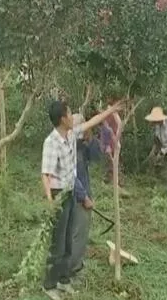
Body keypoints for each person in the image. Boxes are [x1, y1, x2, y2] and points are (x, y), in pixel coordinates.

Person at [41, 99, 123, 300]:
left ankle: (63, 280)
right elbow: (46, 175)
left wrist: (111, 110)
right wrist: (51, 202)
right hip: (59, 194)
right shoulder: (51, 142)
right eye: (69, 114)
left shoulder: (71, 134)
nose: (73, 117)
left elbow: (92, 122)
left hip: (69, 193)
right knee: (58, 243)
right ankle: (49, 284)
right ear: (62, 118)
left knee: (69, 239)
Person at [70, 113, 102, 279]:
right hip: (75, 197)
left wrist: (90, 139)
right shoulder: (69, 145)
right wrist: (84, 197)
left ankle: (75, 265)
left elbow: (96, 157)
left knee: (77, 233)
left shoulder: (81, 145)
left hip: (81, 193)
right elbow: (70, 176)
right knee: (77, 234)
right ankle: (73, 270)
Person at [144, 107, 167, 184]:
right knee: (157, 164)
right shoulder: (157, 127)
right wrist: (154, 152)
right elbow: (157, 140)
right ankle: (162, 183)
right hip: (164, 149)